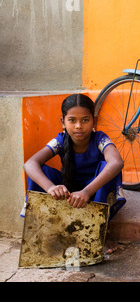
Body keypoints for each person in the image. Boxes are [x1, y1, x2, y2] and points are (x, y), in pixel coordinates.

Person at [22, 93, 125, 221]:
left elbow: (116, 162)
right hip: (67, 194)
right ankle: (41, 222)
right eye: (72, 120)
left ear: (94, 121)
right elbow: (30, 164)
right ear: (63, 122)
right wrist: (51, 188)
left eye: (85, 120)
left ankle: (98, 223)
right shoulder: (60, 141)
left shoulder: (100, 139)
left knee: (108, 167)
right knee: (40, 170)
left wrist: (86, 192)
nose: (78, 126)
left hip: (94, 194)